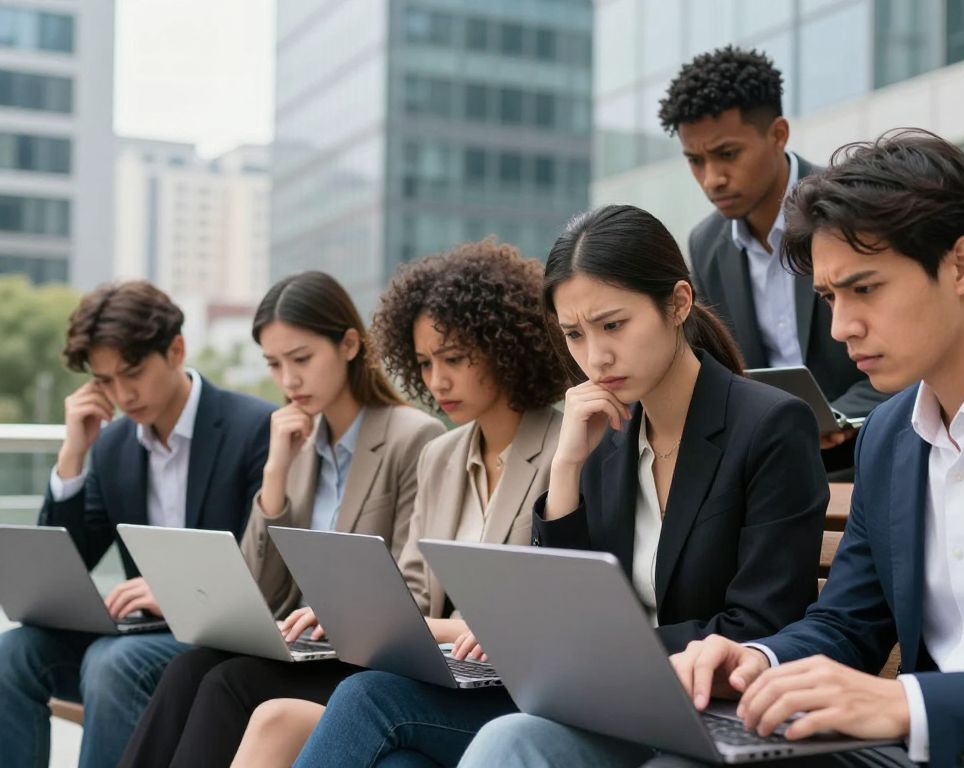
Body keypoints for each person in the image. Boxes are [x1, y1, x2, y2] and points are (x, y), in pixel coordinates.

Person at [463, 131, 964, 767]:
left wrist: (912, 706)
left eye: (865, 289)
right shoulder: (893, 438)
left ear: (962, 265)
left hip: (949, 736)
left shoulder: (781, 428)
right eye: (830, 299)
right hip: (905, 750)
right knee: (516, 740)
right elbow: (848, 624)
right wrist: (753, 657)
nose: (841, 329)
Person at [290, 205, 829, 768]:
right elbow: (568, 603)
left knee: (505, 741)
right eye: (574, 333)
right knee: (369, 696)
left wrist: (590, 654)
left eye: (613, 325)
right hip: (592, 700)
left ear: (678, 304)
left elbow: (763, 624)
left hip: (698, 706)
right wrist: (567, 466)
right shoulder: (605, 438)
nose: (595, 356)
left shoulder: (768, 426)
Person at [226, 239, 566, 768]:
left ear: (505, 346)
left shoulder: (567, 451)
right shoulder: (441, 456)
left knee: (365, 698)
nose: (436, 381)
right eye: (425, 363)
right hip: (442, 681)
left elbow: (549, 609)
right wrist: (354, 616)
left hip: (516, 693)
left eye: (453, 359)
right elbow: (411, 591)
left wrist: (442, 630)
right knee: (288, 721)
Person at [118, 272, 444, 768]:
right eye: (274, 364)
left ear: (349, 344)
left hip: (361, 660)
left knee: (227, 683)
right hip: (300, 646)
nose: (288, 380)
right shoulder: (296, 441)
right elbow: (260, 590)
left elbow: (414, 590)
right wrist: (275, 475)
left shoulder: (411, 437)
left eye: (302, 359)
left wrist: (339, 614)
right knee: (187, 668)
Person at [0, 281, 274, 768]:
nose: (122, 395)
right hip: (140, 634)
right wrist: (72, 459)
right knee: (13, 651)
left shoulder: (254, 428)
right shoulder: (112, 445)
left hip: (218, 643)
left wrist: (175, 589)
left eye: (133, 373)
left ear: (176, 349)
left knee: (111, 664)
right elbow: (69, 562)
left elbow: (265, 570)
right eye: (104, 381)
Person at [660, 45, 886, 467]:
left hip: (874, 450)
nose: (713, 178)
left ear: (778, 134)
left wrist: (838, 417)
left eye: (728, 154)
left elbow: (909, 339)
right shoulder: (706, 245)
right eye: (695, 160)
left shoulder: (853, 206)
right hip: (772, 464)